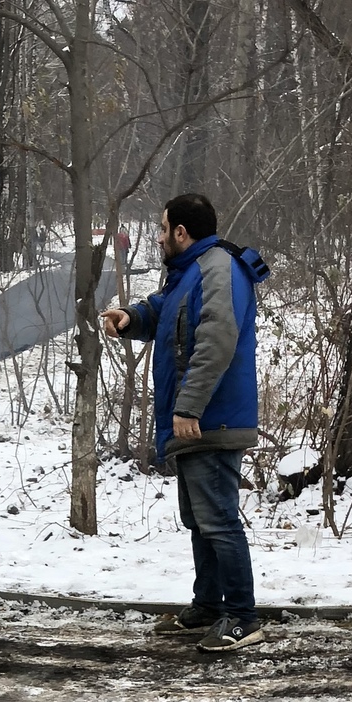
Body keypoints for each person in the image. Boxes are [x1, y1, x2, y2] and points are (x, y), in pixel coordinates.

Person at [103, 193, 269, 652]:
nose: (157, 237)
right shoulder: (191, 271)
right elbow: (164, 313)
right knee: (200, 520)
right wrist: (130, 317)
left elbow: (216, 341)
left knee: (218, 522)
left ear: (181, 232)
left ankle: (242, 616)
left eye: (161, 228)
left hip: (210, 419)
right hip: (197, 418)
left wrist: (189, 407)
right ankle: (208, 607)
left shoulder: (218, 269)